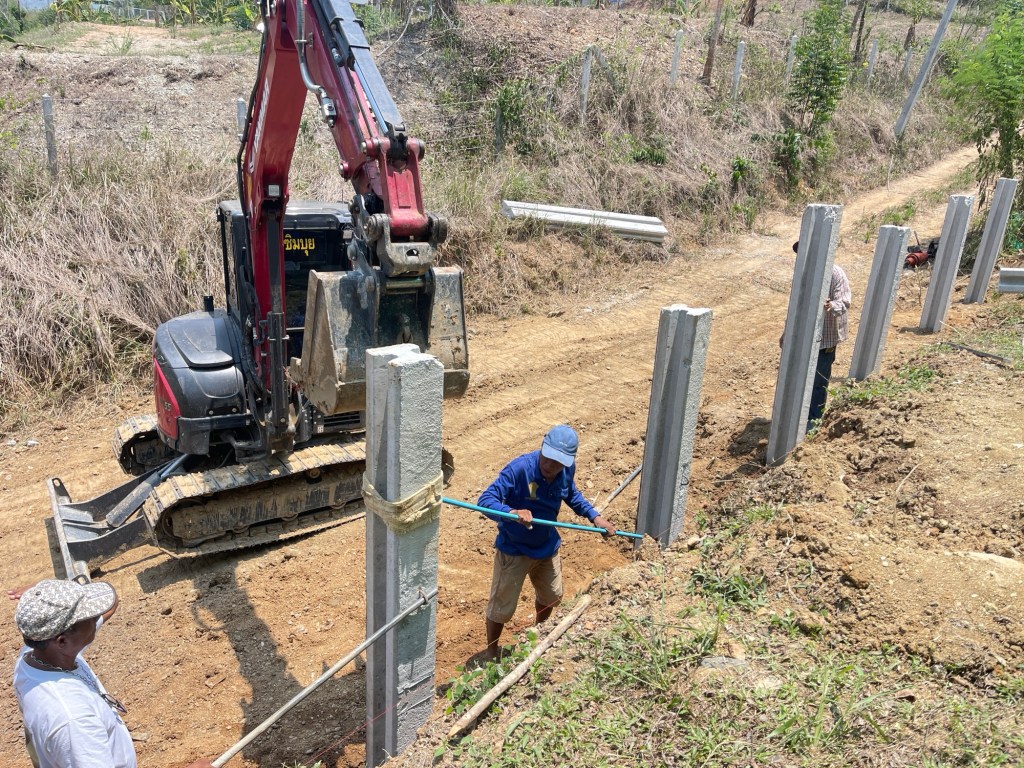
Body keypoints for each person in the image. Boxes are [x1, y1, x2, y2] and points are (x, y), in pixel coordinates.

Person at [11, 578, 215, 768]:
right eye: (89, 616)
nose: (97, 616)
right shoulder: (74, 720)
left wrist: (48, 595)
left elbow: (111, 602)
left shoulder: (35, 655)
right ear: (62, 641)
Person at [478, 425, 616, 660]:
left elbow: (571, 494)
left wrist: (595, 516)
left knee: (552, 596)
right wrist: (512, 512)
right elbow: (485, 500)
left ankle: (538, 634)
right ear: (542, 446)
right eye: (547, 457)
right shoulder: (520, 469)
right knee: (501, 607)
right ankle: (491, 652)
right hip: (514, 549)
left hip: (546, 546)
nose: (550, 466)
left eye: (557, 463)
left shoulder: (566, 470)